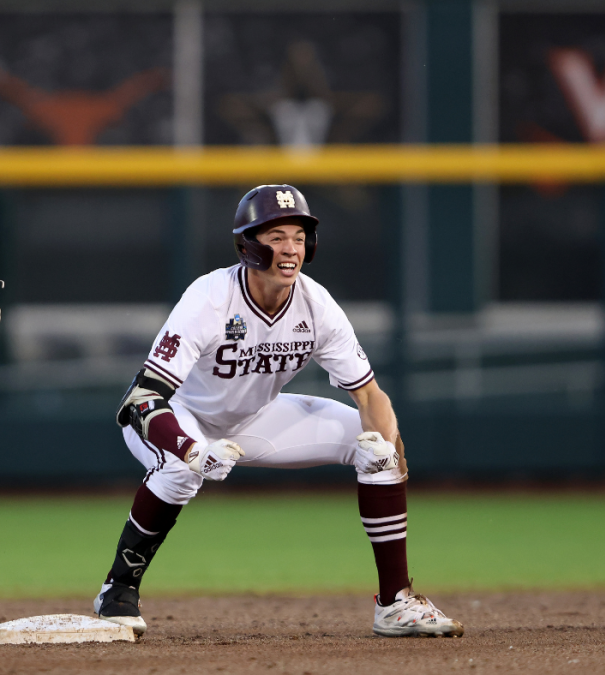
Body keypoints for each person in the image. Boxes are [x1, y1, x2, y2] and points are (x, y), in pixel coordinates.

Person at [93, 185, 464, 639]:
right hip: (175, 416)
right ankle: (118, 590)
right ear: (247, 244)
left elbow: (370, 397)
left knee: (376, 448)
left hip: (253, 417)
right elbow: (144, 399)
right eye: (276, 236)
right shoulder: (209, 297)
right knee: (179, 472)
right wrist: (192, 451)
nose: (290, 248)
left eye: (299, 235)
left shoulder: (315, 303)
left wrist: (390, 453)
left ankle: (395, 603)